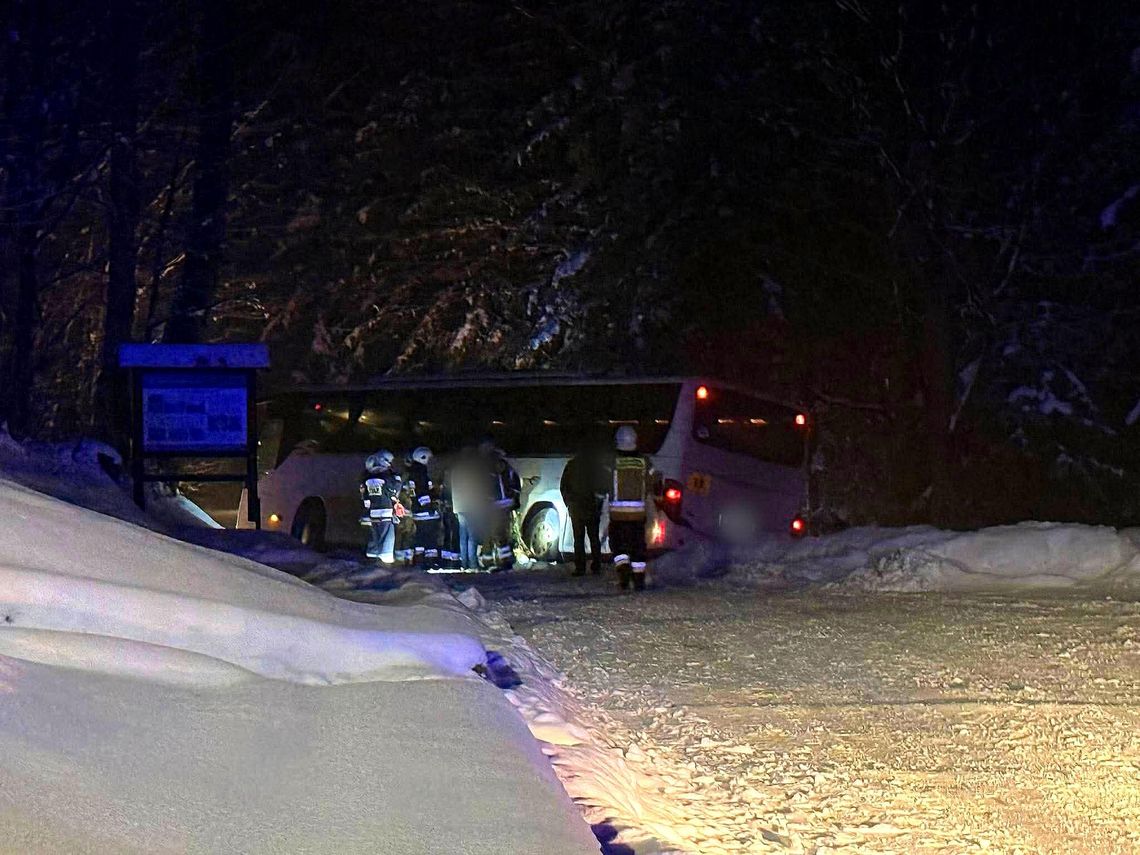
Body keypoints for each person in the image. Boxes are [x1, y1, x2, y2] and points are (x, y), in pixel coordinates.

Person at [608, 426, 659, 591]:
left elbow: (604, 484)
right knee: (638, 548)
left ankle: (624, 576)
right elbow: (653, 482)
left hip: (618, 516)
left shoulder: (612, 461)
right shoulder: (645, 462)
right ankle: (639, 581)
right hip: (638, 515)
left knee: (618, 547)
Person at [560, 443, 609, 577]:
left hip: (576, 508)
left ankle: (580, 567)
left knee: (578, 539)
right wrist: (598, 502)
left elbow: (564, 486)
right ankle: (596, 565)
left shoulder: (571, 466)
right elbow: (604, 486)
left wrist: (568, 503)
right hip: (592, 507)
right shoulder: (596, 467)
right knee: (594, 538)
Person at [481, 440, 520, 570]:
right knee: (502, 534)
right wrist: (514, 499)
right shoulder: (508, 468)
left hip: (491, 506)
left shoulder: (485, 469)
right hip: (505, 505)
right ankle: (505, 560)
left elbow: (483, 488)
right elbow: (516, 485)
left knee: (490, 534)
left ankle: (489, 561)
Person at [447, 445, 487, 570]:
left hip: (459, 506)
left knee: (462, 536)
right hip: (471, 506)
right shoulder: (472, 470)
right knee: (472, 537)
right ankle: (473, 563)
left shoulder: (455, 470)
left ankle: (464, 563)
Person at [359, 449, 400, 562]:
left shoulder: (369, 478)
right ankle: (386, 558)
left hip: (373, 512)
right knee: (387, 535)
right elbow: (392, 492)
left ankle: (372, 555)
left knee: (375, 535)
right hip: (385, 511)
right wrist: (397, 480)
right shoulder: (386, 477)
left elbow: (365, 496)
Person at [406, 445, 441, 568]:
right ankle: (430, 562)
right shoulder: (421, 473)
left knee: (420, 537)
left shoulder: (413, 473)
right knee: (430, 537)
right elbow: (423, 492)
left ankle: (420, 560)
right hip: (425, 512)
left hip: (417, 511)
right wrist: (430, 506)